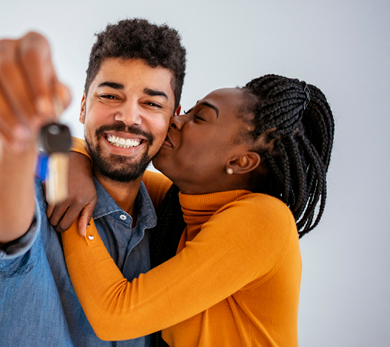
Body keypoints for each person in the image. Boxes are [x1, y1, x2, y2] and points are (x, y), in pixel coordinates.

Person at [0, 19, 185, 346]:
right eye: (111, 96)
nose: (129, 117)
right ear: (84, 106)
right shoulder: (42, 185)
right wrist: (10, 142)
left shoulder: (173, 222)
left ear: (173, 119)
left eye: (152, 103)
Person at [60, 75, 335, 346]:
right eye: (188, 110)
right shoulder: (179, 204)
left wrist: (73, 203)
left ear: (241, 161)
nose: (175, 120)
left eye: (200, 118)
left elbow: (115, 316)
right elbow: (102, 163)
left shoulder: (265, 219)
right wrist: (74, 161)